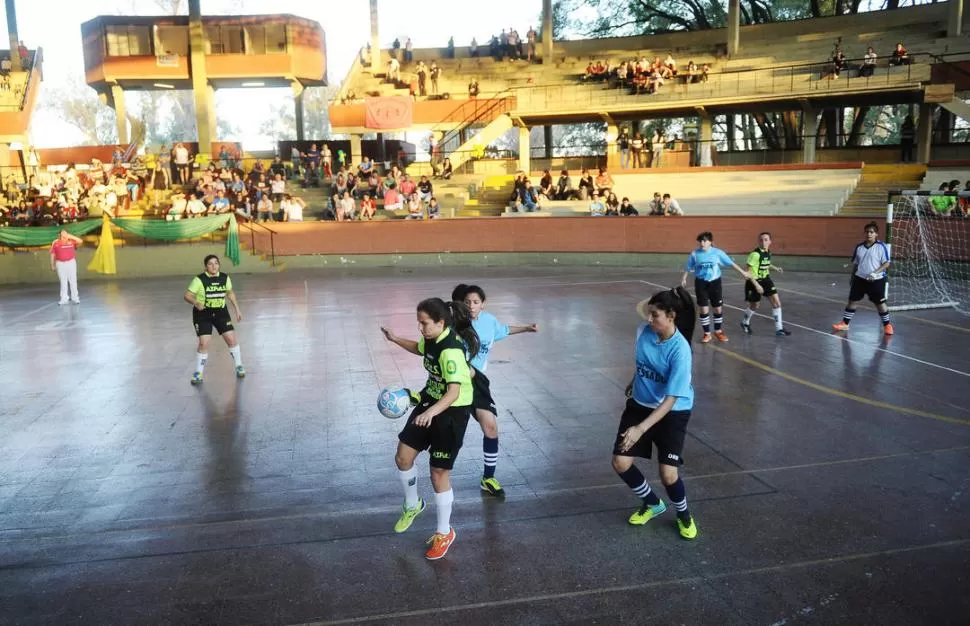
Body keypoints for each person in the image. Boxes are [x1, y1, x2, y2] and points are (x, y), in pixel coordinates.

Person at [380, 298, 480, 560]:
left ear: (440, 322)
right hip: (430, 402)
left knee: (438, 472)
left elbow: (454, 391)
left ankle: (444, 532)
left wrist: (429, 412)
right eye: (418, 322)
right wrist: (395, 339)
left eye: (424, 323)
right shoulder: (433, 340)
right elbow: (420, 348)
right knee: (403, 457)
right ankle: (413, 504)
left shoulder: (450, 351)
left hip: (452, 412)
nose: (420, 327)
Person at [613, 286, 698, 540]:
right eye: (649, 314)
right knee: (620, 462)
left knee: (668, 473)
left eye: (655, 315)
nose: (649, 319)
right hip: (639, 403)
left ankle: (683, 515)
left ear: (671, 316)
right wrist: (634, 379)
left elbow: (671, 399)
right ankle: (652, 503)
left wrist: (641, 428)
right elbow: (644, 364)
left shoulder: (680, 351)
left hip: (672, 411)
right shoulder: (643, 332)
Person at [451, 284, 538, 497]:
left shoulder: (489, 321)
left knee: (490, 428)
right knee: (449, 435)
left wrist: (527, 328)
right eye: (467, 302)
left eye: (476, 302)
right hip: (454, 383)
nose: (471, 306)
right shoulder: (453, 325)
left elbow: (504, 330)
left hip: (478, 383)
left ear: (483, 304)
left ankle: (488, 478)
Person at [681, 231, 759, 343]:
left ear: (710, 242)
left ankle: (718, 331)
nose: (702, 243)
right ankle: (707, 334)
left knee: (717, 308)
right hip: (701, 283)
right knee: (704, 309)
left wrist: (743, 273)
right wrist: (684, 278)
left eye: (704, 241)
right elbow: (688, 267)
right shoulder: (695, 254)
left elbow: (731, 263)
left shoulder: (717, 253)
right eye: (700, 241)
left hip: (715, 283)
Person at [183, 255, 245, 385]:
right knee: (204, 343)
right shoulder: (199, 280)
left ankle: (239, 365)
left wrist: (237, 309)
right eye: (210, 264)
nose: (214, 266)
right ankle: (198, 373)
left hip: (221, 312)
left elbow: (230, 292)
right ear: (206, 266)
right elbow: (187, 295)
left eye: (216, 263)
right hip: (203, 314)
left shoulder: (224, 277)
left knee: (231, 339)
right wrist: (195, 302)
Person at [832, 221, 893, 335]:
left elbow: (886, 263)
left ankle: (887, 325)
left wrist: (874, 273)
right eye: (867, 232)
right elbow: (856, 264)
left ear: (876, 234)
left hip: (876, 280)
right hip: (860, 279)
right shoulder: (859, 247)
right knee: (852, 301)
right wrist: (852, 277)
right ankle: (845, 324)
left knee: (879, 303)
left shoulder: (881, 247)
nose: (869, 234)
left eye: (872, 232)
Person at [740, 232, 791, 336]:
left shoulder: (768, 252)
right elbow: (748, 272)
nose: (763, 242)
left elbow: (766, 263)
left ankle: (779, 329)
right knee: (755, 305)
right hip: (754, 281)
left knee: (777, 303)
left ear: (770, 242)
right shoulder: (755, 254)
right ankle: (745, 322)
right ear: (759, 241)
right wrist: (757, 285)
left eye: (766, 239)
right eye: (761, 240)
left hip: (766, 279)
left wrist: (776, 268)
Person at [50, 229, 83, 305]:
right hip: (60, 264)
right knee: (63, 281)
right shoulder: (56, 242)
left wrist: (71, 236)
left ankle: (75, 298)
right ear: (60, 235)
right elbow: (52, 254)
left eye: (65, 234)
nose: (63, 236)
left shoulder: (71, 241)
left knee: (73, 280)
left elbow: (80, 241)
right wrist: (52, 264)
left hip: (71, 263)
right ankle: (64, 298)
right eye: (62, 234)